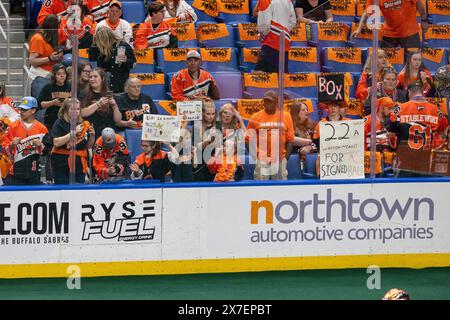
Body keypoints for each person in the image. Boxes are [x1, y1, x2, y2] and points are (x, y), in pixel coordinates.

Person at [388, 83, 448, 176]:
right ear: (422, 93)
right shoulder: (435, 110)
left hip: (405, 161)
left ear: (409, 92)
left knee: (403, 189)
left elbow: (391, 129)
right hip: (426, 160)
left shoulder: (400, 108)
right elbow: (443, 129)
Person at [245, 90, 295, 180]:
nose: (267, 103)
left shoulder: (286, 116)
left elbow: (290, 140)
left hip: (280, 158)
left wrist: (285, 159)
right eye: (266, 101)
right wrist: (256, 158)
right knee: (260, 188)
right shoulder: (255, 117)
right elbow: (248, 140)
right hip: (262, 158)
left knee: (279, 187)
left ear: (276, 102)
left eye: (270, 101)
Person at [1, 97, 50, 185]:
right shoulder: (13, 127)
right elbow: (4, 150)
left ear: (33, 110)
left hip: (34, 173)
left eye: (25, 109)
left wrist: (41, 146)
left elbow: (46, 152)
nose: (21, 112)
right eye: (21, 109)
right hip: (15, 173)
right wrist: (12, 144)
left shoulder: (42, 129)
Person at [51, 98, 95, 184]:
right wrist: (73, 133)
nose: (76, 111)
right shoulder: (59, 122)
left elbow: (88, 146)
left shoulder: (82, 123)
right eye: (73, 109)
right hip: (61, 163)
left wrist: (92, 135)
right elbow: (56, 142)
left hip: (79, 163)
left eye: (78, 109)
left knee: (78, 192)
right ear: (66, 110)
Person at [351, 0, 427, 48]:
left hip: (410, 33)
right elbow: (367, 12)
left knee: (412, 61)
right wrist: (359, 28)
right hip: (389, 33)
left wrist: (424, 20)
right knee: (385, 63)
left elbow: (419, 4)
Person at [89, 26, 136, 93]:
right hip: (104, 85)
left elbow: (133, 64)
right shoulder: (99, 48)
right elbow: (92, 58)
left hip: (120, 84)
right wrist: (93, 44)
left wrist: (126, 60)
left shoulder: (123, 46)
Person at [80, 68, 123, 140]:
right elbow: (82, 113)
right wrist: (98, 104)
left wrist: (114, 106)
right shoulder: (84, 94)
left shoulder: (110, 94)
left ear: (102, 78)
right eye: (90, 77)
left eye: (95, 76)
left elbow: (118, 121)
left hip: (109, 131)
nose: (92, 79)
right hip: (91, 131)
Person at [254, 0, 296, 73]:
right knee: (280, 77)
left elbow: (264, 23)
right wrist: (284, 31)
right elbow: (293, 22)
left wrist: (262, 34)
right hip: (285, 43)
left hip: (270, 42)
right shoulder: (288, 1)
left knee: (260, 74)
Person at [29, 14, 64, 99]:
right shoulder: (38, 38)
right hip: (40, 76)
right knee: (41, 104)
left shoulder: (52, 37)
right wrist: (49, 58)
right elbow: (32, 61)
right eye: (58, 26)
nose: (59, 28)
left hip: (51, 75)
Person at [37, 63, 71, 132]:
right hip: (51, 119)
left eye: (64, 73)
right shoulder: (48, 87)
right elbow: (39, 104)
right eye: (59, 74)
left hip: (67, 119)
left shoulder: (70, 86)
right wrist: (53, 102)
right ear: (54, 75)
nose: (62, 76)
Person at [193, 100, 217, 181]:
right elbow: (197, 148)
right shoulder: (196, 127)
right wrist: (207, 140)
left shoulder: (217, 126)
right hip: (200, 165)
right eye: (208, 114)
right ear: (203, 114)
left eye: (213, 114)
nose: (211, 117)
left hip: (214, 165)